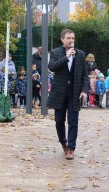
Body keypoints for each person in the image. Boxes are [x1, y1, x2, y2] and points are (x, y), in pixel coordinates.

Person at [47, 28, 88, 160]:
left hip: (74, 93)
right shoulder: (55, 52)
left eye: (73, 38)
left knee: (73, 121)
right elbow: (52, 66)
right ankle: (63, 142)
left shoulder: (81, 54)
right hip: (59, 92)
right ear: (62, 39)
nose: (71, 41)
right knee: (59, 121)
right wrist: (67, 56)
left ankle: (71, 148)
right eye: (69, 38)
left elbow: (85, 76)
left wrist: (84, 91)